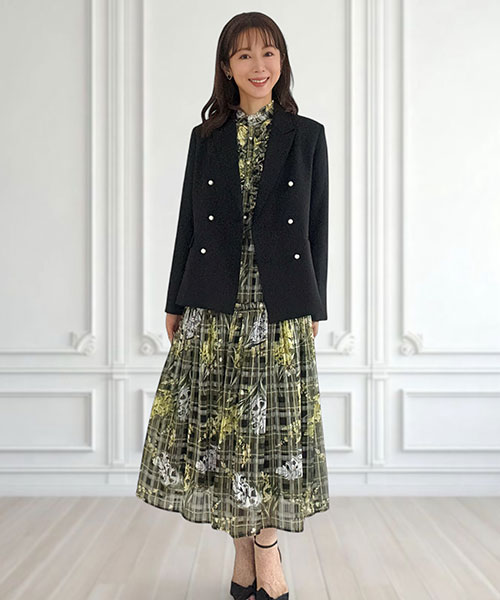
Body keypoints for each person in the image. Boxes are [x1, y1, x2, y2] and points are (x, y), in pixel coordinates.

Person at [136, 11, 330, 600]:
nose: (258, 66)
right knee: (225, 432)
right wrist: (175, 299)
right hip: (214, 297)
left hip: (280, 301)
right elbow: (188, 224)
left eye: (268, 53)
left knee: (273, 433)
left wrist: (313, 306)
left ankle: (265, 552)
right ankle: (245, 559)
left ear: (282, 61)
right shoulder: (206, 138)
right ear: (226, 67)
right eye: (244, 55)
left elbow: (317, 229)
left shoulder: (307, 135)